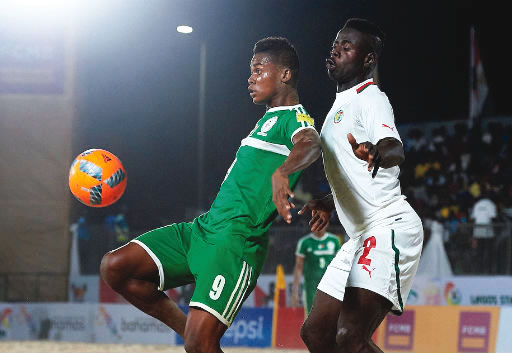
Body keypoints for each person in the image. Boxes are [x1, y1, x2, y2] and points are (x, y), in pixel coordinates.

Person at [100, 37, 321, 353]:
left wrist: (283, 172)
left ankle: (195, 338)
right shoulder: (266, 121)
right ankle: (188, 331)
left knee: (200, 344)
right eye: (250, 71)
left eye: (259, 69)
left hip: (234, 245)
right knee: (115, 267)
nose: (250, 78)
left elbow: (311, 142)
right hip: (200, 232)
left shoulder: (294, 117)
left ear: (285, 75)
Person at [298, 18, 424, 353]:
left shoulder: (370, 98)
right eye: (336, 43)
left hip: (389, 227)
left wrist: (377, 152)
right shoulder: (337, 107)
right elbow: (352, 177)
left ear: (367, 60)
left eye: (347, 46)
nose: (336, 49)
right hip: (360, 236)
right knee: (315, 334)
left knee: (348, 337)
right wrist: (327, 201)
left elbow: (395, 148)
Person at [290, 223, 341, 316]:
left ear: (326, 225)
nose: (319, 227)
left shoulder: (334, 240)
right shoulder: (305, 242)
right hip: (311, 288)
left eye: (321, 223)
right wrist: (295, 292)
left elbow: (341, 264)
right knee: (311, 318)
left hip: (331, 286)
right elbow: (298, 267)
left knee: (332, 317)